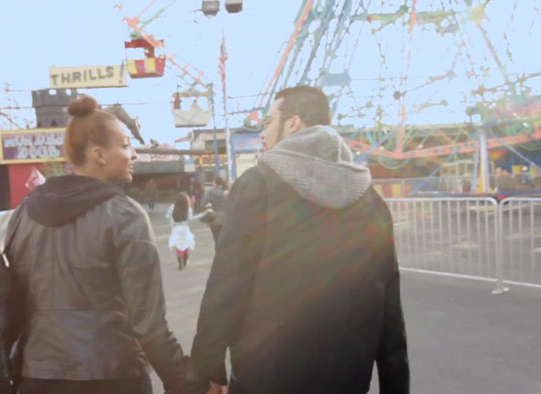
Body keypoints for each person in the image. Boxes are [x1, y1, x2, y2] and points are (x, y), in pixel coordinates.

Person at [191, 86, 409, 394]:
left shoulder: (258, 185)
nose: (262, 134)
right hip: (346, 378)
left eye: (267, 122)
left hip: (266, 377)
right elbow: (388, 304)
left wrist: (207, 365)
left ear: (293, 124)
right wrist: (396, 383)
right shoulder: (369, 199)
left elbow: (229, 281)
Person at [4, 96, 208, 394]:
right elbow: (148, 324)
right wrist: (185, 381)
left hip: (36, 376)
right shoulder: (125, 215)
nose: (134, 154)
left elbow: (12, 299)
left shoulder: (24, 212)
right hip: (112, 375)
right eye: (125, 145)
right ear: (99, 155)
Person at [166, 192, 209, 270]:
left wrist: (171, 215)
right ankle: (185, 259)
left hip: (176, 228)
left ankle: (180, 263)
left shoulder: (173, 207)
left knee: (178, 245)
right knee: (185, 243)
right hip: (185, 228)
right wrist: (202, 214)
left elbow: (167, 216)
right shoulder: (188, 209)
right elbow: (192, 218)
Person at [201, 176, 229, 247]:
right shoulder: (228, 193)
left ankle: (218, 254)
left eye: (213, 182)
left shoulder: (210, 192)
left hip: (214, 218)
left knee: (216, 238)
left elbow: (203, 203)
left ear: (216, 184)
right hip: (226, 219)